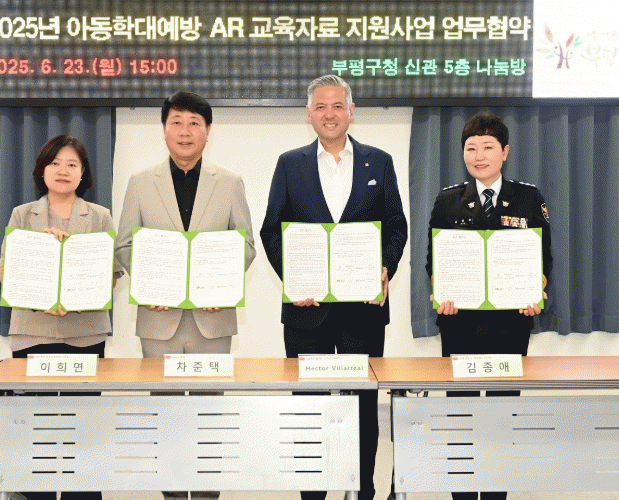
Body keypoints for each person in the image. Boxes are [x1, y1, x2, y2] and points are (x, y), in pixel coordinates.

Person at [260, 74, 408, 500]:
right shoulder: (290, 163)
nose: (330, 114)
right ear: (309, 114)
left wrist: (385, 267)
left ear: (351, 112)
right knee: (309, 407)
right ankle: (313, 493)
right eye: (321, 107)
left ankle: (362, 490)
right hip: (307, 311)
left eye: (338, 106)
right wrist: (294, 278)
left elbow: (396, 225)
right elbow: (272, 229)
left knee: (363, 406)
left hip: (363, 309)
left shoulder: (379, 162)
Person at [115, 91, 255, 500]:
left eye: (194, 123)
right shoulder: (141, 182)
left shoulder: (229, 182)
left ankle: (208, 494)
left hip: (213, 318)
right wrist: (147, 284)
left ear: (208, 131)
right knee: (167, 414)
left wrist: (223, 285)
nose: (185, 131)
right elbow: (125, 245)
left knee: (210, 414)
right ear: (164, 130)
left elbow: (245, 245)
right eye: (176, 122)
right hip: (159, 319)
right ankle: (173, 496)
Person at [426, 111, 552, 500]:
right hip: (459, 326)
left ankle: (496, 494)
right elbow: (434, 261)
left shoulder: (528, 197)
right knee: (461, 415)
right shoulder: (448, 200)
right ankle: (462, 494)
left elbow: (543, 258)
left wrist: (536, 294)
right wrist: (439, 293)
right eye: (471, 148)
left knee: (501, 416)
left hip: (510, 326)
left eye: (488, 147)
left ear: (505, 152)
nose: (479, 156)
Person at [0, 134, 120, 500]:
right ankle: (36, 493)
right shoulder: (23, 214)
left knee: (83, 425)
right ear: (42, 171)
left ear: (83, 174)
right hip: (32, 333)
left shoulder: (99, 216)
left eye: (72, 164)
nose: (63, 170)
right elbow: (6, 270)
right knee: (37, 424)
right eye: (55, 163)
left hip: (84, 334)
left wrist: (81, 297)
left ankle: (83, 493)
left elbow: (111, 273)